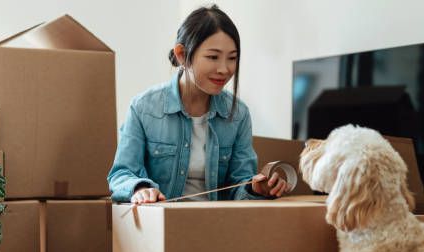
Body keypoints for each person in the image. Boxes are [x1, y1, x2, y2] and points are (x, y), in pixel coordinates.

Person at [107, 4, 290, 204]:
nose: (224, 69)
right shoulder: (144, 108)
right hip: (160, 226)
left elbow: (239, 185)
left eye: (232, 58)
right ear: (182, 55)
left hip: (216, 224)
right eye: (213, 57)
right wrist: (140, 188)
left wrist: (256, 189)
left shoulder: (238, 114)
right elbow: (121, 174)